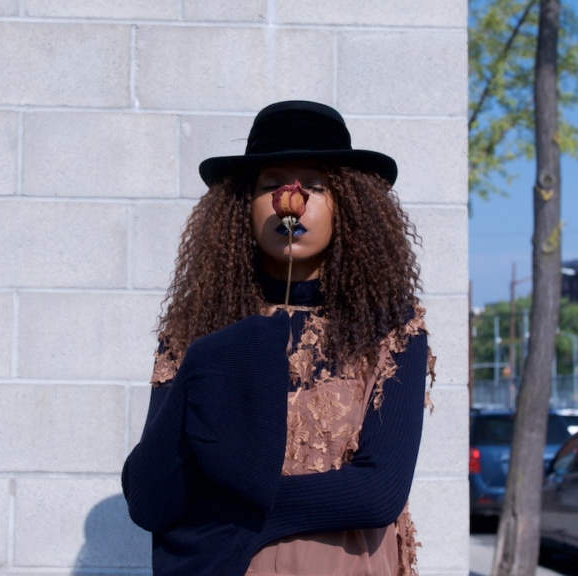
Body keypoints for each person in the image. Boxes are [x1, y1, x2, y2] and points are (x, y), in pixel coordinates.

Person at [121, 100, 435, 576]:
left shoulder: (391, 325)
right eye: (271, 185)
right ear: (241, 207)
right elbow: (151, 498)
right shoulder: (198, 330)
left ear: (347, 204)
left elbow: (379, 492)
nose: (294, 199)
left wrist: (233, 515)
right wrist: (205, 364)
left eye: (315, 185)